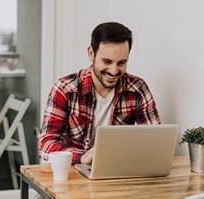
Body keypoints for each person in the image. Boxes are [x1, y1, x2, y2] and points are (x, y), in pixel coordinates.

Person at [38, 22, 161, 165]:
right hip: (74, 171)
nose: (114, 71)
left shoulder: (138, 89)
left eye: (121, 63)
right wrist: (82, 157)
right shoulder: (65, 89)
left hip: (117, 170)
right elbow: (46, 143)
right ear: (91, 53)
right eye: (107, 61)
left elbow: (154, 140)